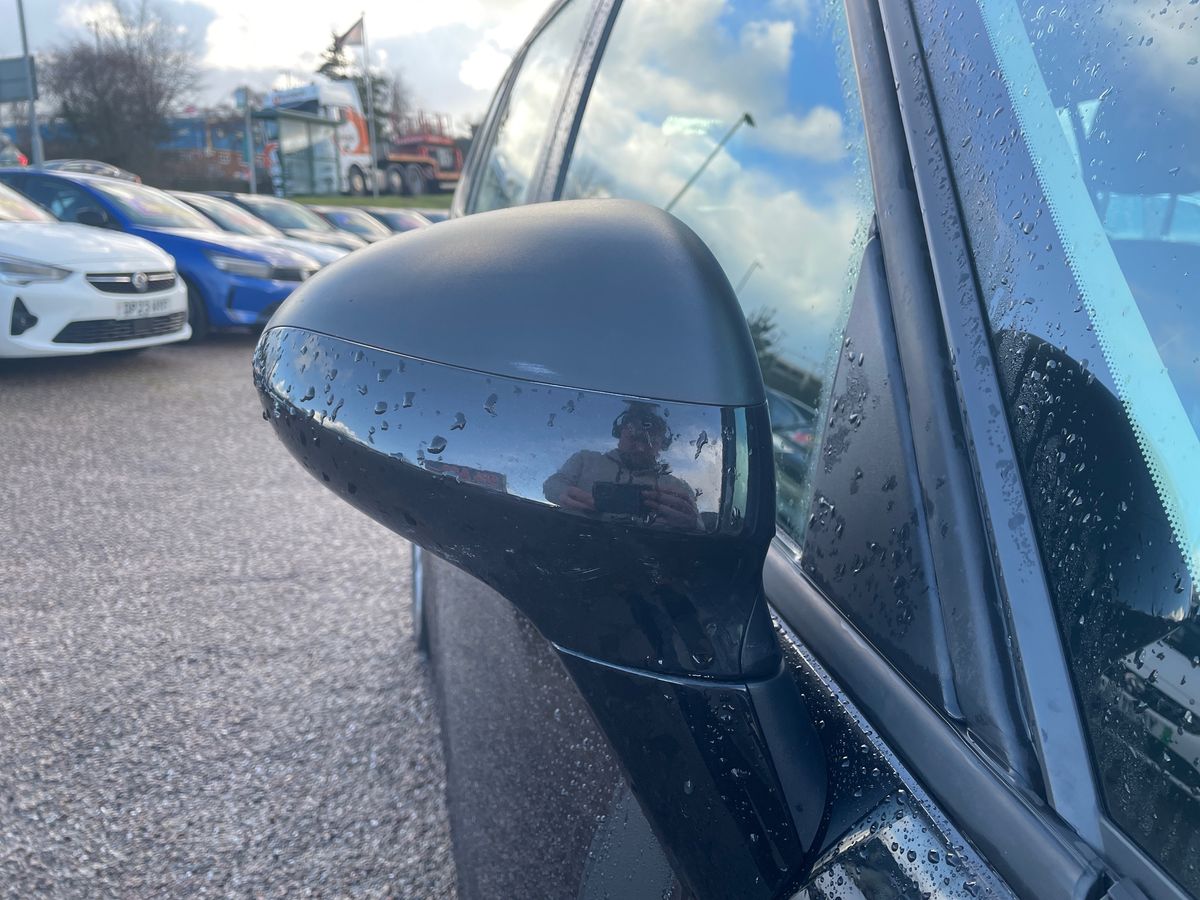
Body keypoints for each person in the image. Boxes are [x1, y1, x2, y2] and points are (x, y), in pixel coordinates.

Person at [543, 401, 700, 530]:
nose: (640, 447)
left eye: (649, 442)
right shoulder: (585, 460)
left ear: (661, 445)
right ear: (620, 435)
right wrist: (564, 494)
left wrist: (691, 524)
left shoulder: (676, 487)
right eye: (633, 438)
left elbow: (700, 529)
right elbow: (552, 484)